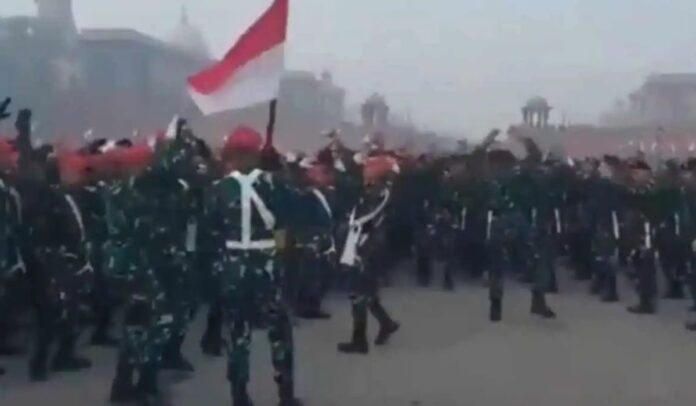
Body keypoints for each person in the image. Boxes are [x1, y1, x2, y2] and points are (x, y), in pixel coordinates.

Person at [206, 126, 302, 406]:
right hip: (267, 264)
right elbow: (285, 223)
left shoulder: (218, 189)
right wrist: (280, 255)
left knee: (238, 333)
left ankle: (239, 396)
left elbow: (212, 231)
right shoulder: (275, 184)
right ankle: (285, 395)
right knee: (279, 332)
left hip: (234, 267)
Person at [337, 155, 400, 354]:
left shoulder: (382, 197)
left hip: (369, 250)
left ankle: (359, 340)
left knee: (358, 294)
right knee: (368, 294)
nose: (366, 176)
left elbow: (375, 227)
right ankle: (386, 323)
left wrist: (362, 253)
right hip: (364, 247)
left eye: (370, 172)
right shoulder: (376, 192)